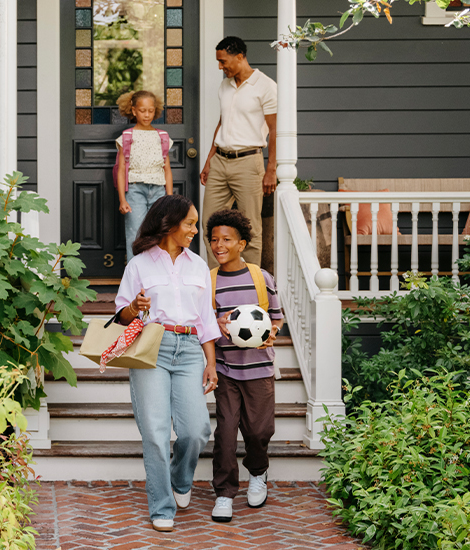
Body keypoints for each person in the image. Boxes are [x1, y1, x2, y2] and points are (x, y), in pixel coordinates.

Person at [110, 194, 221, 533]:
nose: (194, 230)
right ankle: (161, 505)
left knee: (196, 429)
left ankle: (179, 479)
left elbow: (206, 319)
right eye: (189, 223)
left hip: (189, 348)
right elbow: (120, 314)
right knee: (156, 433)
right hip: (151, 346)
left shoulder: (198, 266)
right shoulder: (139, 265)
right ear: (170, 224)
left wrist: (210, 363)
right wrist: (135, 307)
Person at [204, 208, 286, 521]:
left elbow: (276, 318)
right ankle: (224, 493)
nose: (218, 245)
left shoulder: (261, 278)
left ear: (242, 244)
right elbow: (203, 323)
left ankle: (258, 472)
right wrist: (217, 323)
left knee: (259, 431)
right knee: (225, 434)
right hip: (226, 371)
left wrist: (271, 334)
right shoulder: (209, 282)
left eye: (226, 239)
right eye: (213, 239)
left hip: (259, 370)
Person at [199, 36, 278, 270]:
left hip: (248, 162)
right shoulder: (225, 86)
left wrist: (271, 168)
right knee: (208, 226)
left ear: (240, 56)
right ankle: (218, 281)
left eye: (223, 61)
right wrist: (209, 160)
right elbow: (221, 123)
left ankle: (250, 283)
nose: (220, 67)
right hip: (220, 162)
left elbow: (275, 130)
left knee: (250, 227)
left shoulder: (266, 86)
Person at [113, 90, 175, 262]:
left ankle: (158, 273)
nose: (147, 115)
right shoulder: (126, 137)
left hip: (158, 192)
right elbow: (121, 169)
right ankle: (135, 278)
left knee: (159, 233)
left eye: (150, 111)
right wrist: (122, 200)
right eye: (142, 110)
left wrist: (169, 198)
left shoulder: (162, 137)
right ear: (134, 111)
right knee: (135, 234)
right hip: (135, 191)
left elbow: (167, 169)